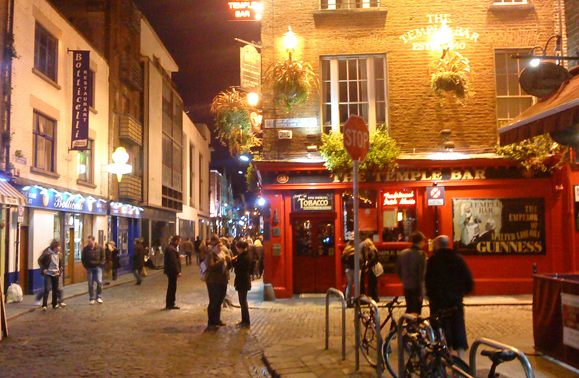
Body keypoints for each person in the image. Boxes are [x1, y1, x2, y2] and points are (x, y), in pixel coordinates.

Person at [425, 235, 474, 359]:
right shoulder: (458, 259)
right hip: (455, 300)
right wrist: (461, 293)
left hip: (438, 300)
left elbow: (429, 281)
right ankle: (460, 357)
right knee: (457, 326)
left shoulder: (433, 260)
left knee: (439, 326)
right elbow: (468, 279)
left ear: (437, 245)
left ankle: (443, 355)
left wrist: (430, 296)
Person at [396, 231, 427, 314]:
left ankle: (407, 324)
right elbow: (422, 274)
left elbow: (398, 270)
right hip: (416, 287)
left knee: (409, 307)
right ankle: (413, 325)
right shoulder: (421, 255)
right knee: (416, 310)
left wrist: (404, 279)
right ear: (420, 241)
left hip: (406, 285)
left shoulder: (403, 253)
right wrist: (422, 291)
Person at [205, 235, 232, 329]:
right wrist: (222, 260)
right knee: (213, 301)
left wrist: (229, 261)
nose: (220, 248)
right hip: (213, 282)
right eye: (218, 246)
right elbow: (211, 267)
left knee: (220, 300)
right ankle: (211, 321)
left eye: (221, 246)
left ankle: (217, 319)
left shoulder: (223, 254)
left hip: (222, 280)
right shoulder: (211, 255)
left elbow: (228, 267)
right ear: (214, 247)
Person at [38, 240, 65, 311]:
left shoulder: (59, 254)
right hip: (48, 274)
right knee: (47, 289)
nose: (60, 248)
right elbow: (40, 260)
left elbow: (60, 263)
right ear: (54, 248)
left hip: (56, 273)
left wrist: (60, 270)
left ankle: (54, 304)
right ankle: (44, 305)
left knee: (55, 290)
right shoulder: (47, 254)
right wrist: (44, 269)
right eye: (58, 247)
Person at [232, 240, 253, 327]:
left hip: (242, 281)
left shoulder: (242, 257)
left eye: (237, 248)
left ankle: (245, 320)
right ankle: (245, 320)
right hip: (245, 280)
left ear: (240, 248)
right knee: (243, 301)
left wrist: (233, 261)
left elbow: (238, 269)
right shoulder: (247, 255)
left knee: (243, 301)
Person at [81, 236, 105, 305]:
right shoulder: (86, 249)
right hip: (90, 268)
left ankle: (99, 297)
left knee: (99, 282)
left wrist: (101, 264)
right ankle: (92, 298)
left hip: (98, 267)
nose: (89, 243)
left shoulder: (100, 248)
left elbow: (103, 257)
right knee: (90, 284)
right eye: (88, 241)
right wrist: (86, 266)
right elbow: (83, 259)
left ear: (93, 241)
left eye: (90, 241)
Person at [164, 235, 182, 310]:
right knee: (172, 287)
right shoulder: (172, 249)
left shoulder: (170, 248)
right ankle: (170, 303)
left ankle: (170, 302)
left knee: (171, 286)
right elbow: (173, 262)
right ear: (176, 241)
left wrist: (178, 257)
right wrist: (178, 271)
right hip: (172, 271)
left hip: (170, 270)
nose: (180, 243)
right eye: (179, 241)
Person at [360, 238, 380, 303]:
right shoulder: (373, 249)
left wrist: (367, 265)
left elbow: (373, 259)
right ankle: (374, 297)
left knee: (372, 284)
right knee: (373, 284)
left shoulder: (372, 250)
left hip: (373, 269)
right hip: (372, 269)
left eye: (365, 244)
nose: (365, 246)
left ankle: (373, 297)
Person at [341, 240, 356, 307]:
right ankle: (356, 300)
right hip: (355, 269)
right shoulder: (355, 250)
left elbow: (342, 259)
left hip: (348, 269)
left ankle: (348, 301)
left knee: (349, 286)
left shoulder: (346, 250)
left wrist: (346, 264)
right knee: (357, 286)